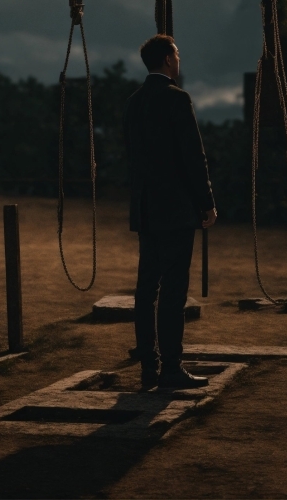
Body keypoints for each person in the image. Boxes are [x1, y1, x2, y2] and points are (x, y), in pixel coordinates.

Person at [123, 34, 217, 390]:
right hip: (176, 209)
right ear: (166, 60)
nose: (179, 60)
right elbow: (193, 158)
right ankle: (172, 368)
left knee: (146, 288)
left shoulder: (134, 102)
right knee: (174, 290)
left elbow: (132, 156)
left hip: (146, 209)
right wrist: (206, 202)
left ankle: (149, 365)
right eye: (176, 54)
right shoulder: (178, 99)